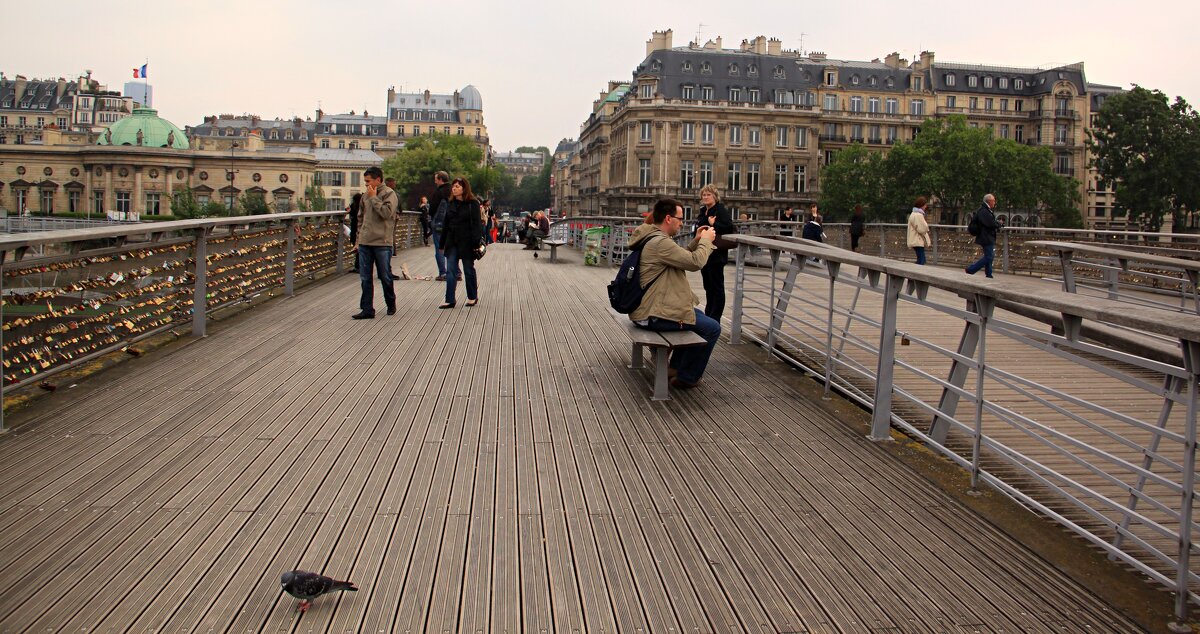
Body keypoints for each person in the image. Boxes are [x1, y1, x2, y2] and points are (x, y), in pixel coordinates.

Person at [627, 198, 719, 389]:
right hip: (652, 314)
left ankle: (676, 368)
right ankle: (688, 377)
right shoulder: (660, 243)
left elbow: (679, 257)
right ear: (668, 218)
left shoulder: (653, 238)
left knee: (698, 315)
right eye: (680, 218)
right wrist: (707, 242)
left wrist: (695, 241)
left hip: (647, 307)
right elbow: (695, 263)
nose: (682, 222)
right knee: (712, 328)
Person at [352, 167, 398, 319]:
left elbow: (386, 213)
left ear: (378, 179)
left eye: (368, 181)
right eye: (365, 181)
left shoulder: (389, 194)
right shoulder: (365, 196)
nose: (366, 184)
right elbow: (360, 219)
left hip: (382, 242)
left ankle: (390, 303)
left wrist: (373, 198)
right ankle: (367, 309)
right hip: (365, 242)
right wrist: (358, 240)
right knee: (365, 277)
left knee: (385, 275)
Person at [439, 177, 484, 309]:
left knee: (468, 269)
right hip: (452, 241)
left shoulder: (472, 204)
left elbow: (477, 224)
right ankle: (450, 299)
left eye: (458, 186)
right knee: (451, 270)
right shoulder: (450, 203)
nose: (454, 188)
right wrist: (442, 244)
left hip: (467, 242)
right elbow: (446, 225)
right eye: (453, 186)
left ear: (464, 188)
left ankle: (472, 296)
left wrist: (476, 242)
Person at [695, 184, 735, 320]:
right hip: (704, 253)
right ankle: (709, 314)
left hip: (716, 254)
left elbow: (729, 227)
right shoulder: (703, 210)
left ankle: (715, 318)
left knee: (717, 287)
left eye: (708, 195)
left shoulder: (720, 210)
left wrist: (714, 224)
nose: (705, 197)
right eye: (704, 195)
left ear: (715, 196)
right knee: (708, 286)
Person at [965, 193, 1000, 278]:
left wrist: (997, 223)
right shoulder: (984, 211)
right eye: (994, 200)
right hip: (986, 237)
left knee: (989, 256)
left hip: (987, 236)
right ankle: (971, 269)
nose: (995, 202)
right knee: (989, 256)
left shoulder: (985, 210)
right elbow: (990, 223)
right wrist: (998, 224)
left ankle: (989, 274)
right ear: (989, 201)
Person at [428, 171, 451, 281]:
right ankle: (456, 272)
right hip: (451, 223)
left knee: (440, 248)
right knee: (451, 247)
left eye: (436, 179)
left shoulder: (439, 192)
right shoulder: (453, 190)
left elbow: (432, 208)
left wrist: (430, 218)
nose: (434, 181)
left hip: (439, 223)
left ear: (441, 179)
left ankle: (443, 273)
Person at [907, 196, 931, 265]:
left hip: (915, 239)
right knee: (921, 261)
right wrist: (926, 227)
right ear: (921, 205)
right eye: (925, 205)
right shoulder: (918, 215)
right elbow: (922, 228)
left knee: (920, 259)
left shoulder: (913, 214)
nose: (926, 207)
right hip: (918, 240)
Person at [345, 193, 363, 273]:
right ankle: (359, 266)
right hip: (361, 230)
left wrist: (348, 211)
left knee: (357, 248)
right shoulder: (362, 207)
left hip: (355, 229)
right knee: (360, 249)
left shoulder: (354, 207)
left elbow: (349, 211)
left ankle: (358, 266)